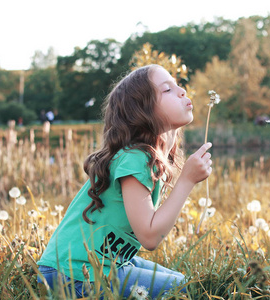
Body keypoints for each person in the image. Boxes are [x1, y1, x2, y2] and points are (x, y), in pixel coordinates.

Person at [37, 64, 212, 298]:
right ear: (143, 111)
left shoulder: (145, 157)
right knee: (181, 289)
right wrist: (187, 180)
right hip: (73, 274)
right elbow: (149, 236)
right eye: (167, 90)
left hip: (104, 263)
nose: (181, 91)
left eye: (177, 85)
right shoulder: (134, 159)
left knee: (181, 281)